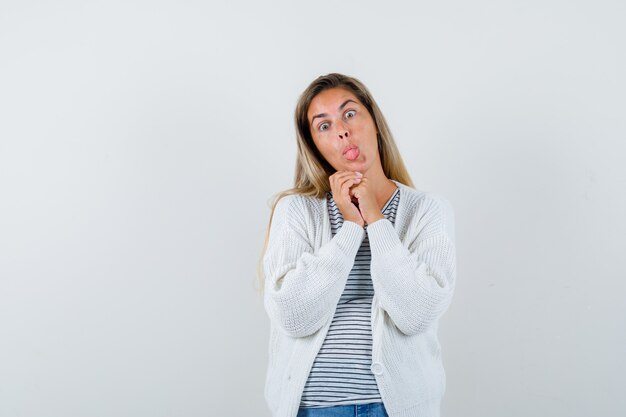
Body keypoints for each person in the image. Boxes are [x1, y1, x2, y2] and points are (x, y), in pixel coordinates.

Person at [257, 73, 457, 417]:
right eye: (324, 126)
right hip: (314, 408)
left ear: (375, 122)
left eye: (350, 114)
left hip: (397, 408)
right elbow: (293, 317)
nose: (341, 131)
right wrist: (351, 227)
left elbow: (417, 314)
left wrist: (376, 222)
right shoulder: (297, 211)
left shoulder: (426, 210)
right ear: (315, 146)